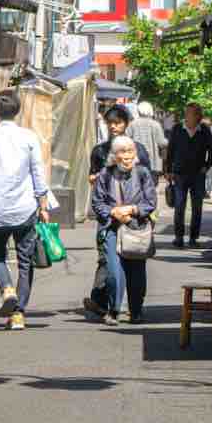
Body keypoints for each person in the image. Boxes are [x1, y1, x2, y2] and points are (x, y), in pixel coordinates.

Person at [0, 89, 58, 329]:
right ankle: (18, 314)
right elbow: (38, 172)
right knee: (25, 261)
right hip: (25, 209)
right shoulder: (29, 138)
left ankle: (6, 288)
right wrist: (43, 204)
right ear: (18, 111)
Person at [91, 136, 158, 324]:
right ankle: (114, 310)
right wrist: (113, 211)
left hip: (135, 227)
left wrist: (133, 210)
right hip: (111, 227)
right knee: (113, 271)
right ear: (115, 155)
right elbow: (97, 203)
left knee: (136, 271)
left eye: (130, 151)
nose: (127, 156)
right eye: (122, 152)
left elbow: (151, 202)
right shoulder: (105, 174)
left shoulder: (143, 173)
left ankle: (136, 310)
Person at [82, 106, 133, 318]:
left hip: (131, 214)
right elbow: (92, 176)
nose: (113, 126)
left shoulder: (134, 148)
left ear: (126, 124)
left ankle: (120, 303)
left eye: (118, 122)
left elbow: (146, 176)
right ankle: (103, 301)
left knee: (131, 258)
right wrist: (94, 178)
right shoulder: (99, 151)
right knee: (105, 257)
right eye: (110, 122)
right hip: (107, 213)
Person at [165, 102, 212, 248]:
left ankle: (193, 238)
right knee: (179, 206)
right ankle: (179, 237)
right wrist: (168, 170)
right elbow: (170, 151)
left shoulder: (204, 130)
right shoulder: (177, 129)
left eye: (195, 114)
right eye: (189, 113)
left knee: (197, 207)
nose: (189, 117)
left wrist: (207, 166)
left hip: (198, 174)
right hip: (180, 174)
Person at [126, 101, 167, 179]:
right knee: (151, 185)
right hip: (152, 163)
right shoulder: (156, 125)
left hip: (136, 160)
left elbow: (127, 140)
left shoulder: (132, 124)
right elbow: (161, 142)